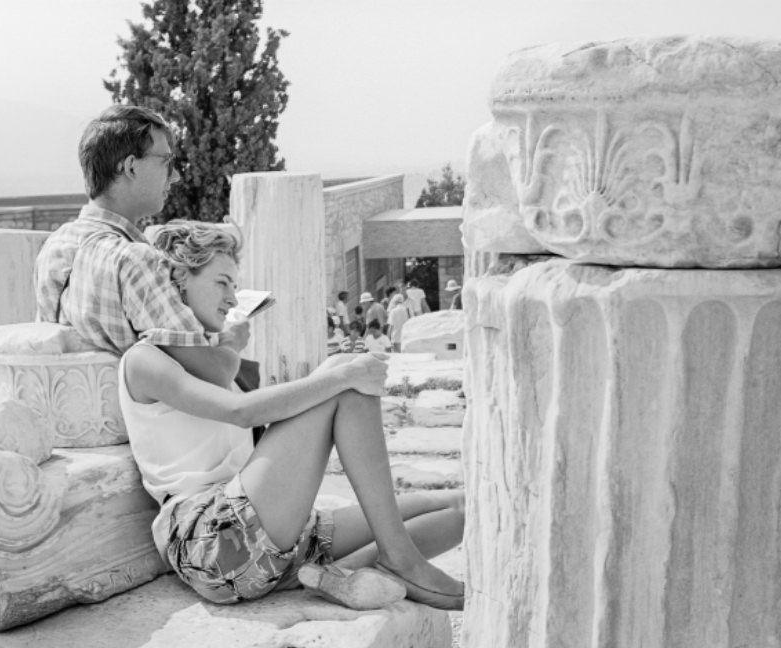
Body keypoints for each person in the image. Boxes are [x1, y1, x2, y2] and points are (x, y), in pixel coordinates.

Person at [117, 221, 465, 610]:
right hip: (214, 542)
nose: (232, 299)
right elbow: (241, 413)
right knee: (345, 370)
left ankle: (337, 576)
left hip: (270, 530)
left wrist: (229, 352)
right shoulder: (144, 359)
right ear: (180, 279)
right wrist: (344, 374)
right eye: (221, 283)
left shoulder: (214, 364)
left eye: (234, 286)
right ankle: (399, 561)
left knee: (457, 510)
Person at [33, 105, 248, 388]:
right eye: (166, 163)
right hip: (149, 427)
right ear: (131, 166)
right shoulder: (134, 261)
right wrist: (232, 342)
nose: (175, 177)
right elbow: (216, 373)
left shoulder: (54, 246)